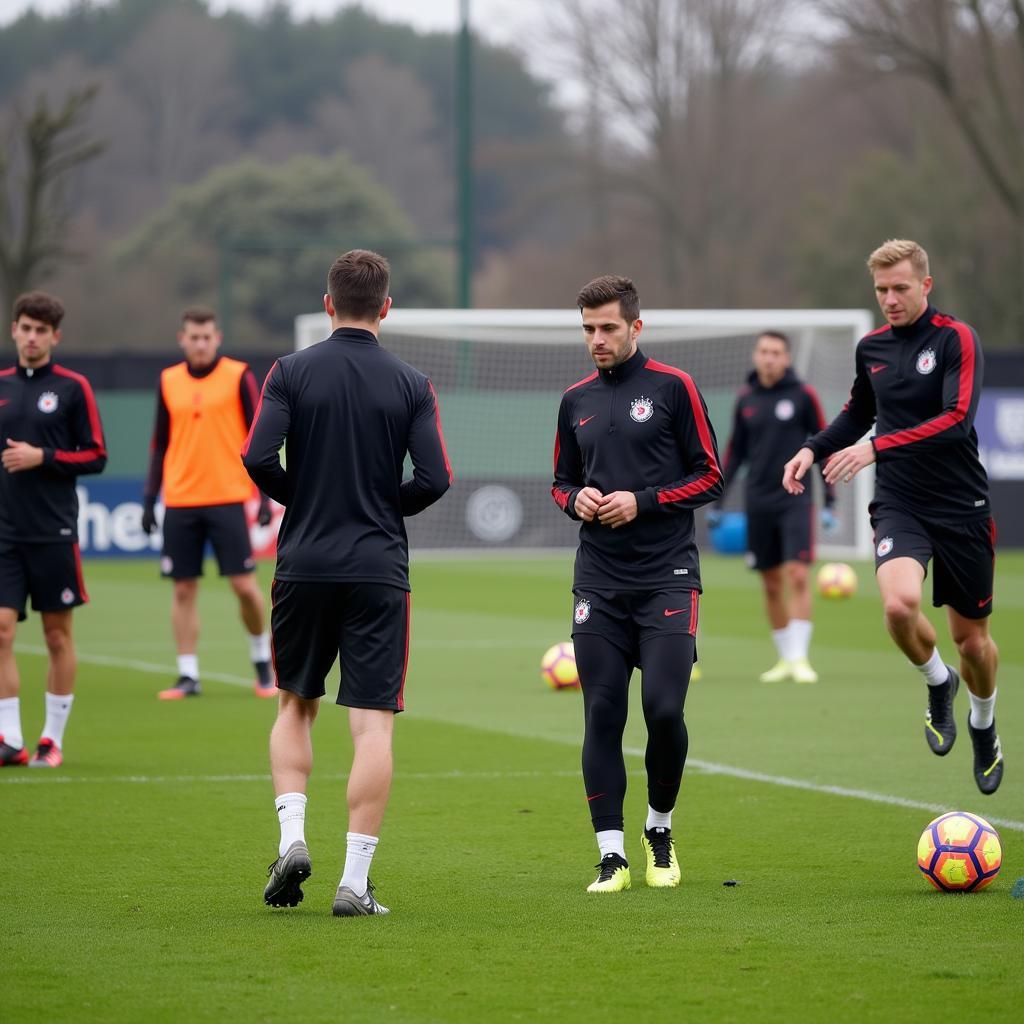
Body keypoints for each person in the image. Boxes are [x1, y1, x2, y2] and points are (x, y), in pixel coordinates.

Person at [243, 249, 452, 916]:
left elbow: (255, 455)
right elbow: (435, 478)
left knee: (294, 704)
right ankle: (354, 884)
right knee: (372, 728)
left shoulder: (291, 371)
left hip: (303, 563)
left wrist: (301, 498)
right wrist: (384, 504)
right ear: (386, 307)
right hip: (377, 569)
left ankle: (292, 839)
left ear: (329, 305)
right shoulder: (413, 383)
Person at [783, 239, 1002, 794]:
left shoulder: (956, 339)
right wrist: (812, 448)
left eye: (901, 288)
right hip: (901, 502)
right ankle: (936, 682)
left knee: (973, 643)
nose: (890, 299)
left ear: (925, 285)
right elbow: (858, 413)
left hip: (962, 507)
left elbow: (956, 420)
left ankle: (983, 722)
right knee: (899, 605)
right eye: (881, 290)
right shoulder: (871, 347)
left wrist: (877, 448)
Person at [551, 275, 722, 893]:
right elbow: (560, 482)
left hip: (667, 577)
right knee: (601, 710)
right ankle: (611, 855)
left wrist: (642, 500)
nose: (597, 339)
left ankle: (659, 829)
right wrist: (579, 500)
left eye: (608, 328)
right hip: (598, 578)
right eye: (588, 329)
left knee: (664, 710)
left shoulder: (673, 388)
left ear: (635, 327)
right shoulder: (575, 400)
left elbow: (710, 476)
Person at [141, 307, 275, 700]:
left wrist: (264, 496)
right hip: (181, 499)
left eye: (206, 337)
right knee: (183, 589)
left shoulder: (238, 376)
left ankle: (261, 663)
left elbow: (258, 439)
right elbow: (159, 444)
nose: (200, 344)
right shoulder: (168, 381)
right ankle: (188, 675)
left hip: (229, 497)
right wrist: (150, 499)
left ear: (217, 338)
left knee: (244, 587)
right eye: (193, 337)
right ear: (182, 339)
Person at [0, 292, 107, 768]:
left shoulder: (71, 388)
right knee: (1, 631)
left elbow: (96, 455)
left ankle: (51, 739)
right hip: (5, 533)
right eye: (25, 327)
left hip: (53, 531)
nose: (31, 337)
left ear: (54, 336)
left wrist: (42, 457)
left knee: (56, 637)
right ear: (14, 330)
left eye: (41, 330)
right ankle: (9, 739)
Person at [710, 331, 838, 684]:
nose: (768, 358)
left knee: (797, 574)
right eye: (763, 351)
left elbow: (823, 445)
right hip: (759, 501)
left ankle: (800, 658)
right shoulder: (746, 398)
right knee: (769, 582)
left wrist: (830, 501)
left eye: (776, 352)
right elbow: (736, 452)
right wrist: (718, 502)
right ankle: (785, 659)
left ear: (786, 358)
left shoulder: (803, 395)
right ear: (756, 355)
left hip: (796, 500)